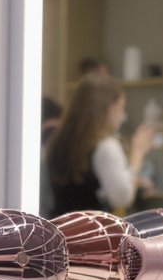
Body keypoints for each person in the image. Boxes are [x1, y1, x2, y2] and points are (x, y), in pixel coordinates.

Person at [45, 74, 154, 217]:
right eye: (121, 108)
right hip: (90, 232)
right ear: (109, 109)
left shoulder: (56, 142)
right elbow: (122, 198)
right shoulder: (105, 146)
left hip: (60, 227)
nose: (123, 116)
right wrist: (138, 153)